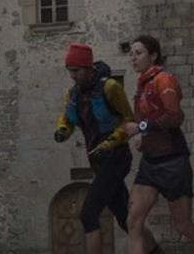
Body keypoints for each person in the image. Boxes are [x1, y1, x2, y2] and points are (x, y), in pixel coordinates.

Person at [55, 43, 161, 254]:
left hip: (117, 157)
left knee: (88, 214)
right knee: (125, 219)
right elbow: (67, 119)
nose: (73, 76)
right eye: (70, 71)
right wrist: (62, 131)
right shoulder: (73, 95)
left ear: (88, 68)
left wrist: (110, 142)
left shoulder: (110, 87)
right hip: (97, 161)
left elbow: (128, 120)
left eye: (76, 71)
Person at [122, 35, 194, 254]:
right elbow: (151, 118)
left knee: (183, 225)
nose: (133, 58)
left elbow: (174, 116)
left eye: (138, 53)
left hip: (173, 162)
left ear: (153, 55)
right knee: (133, 222)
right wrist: (143, 137)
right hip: (150, 163)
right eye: (131, 54)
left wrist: (141, 128)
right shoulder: (142, 84)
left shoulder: (163, 80)